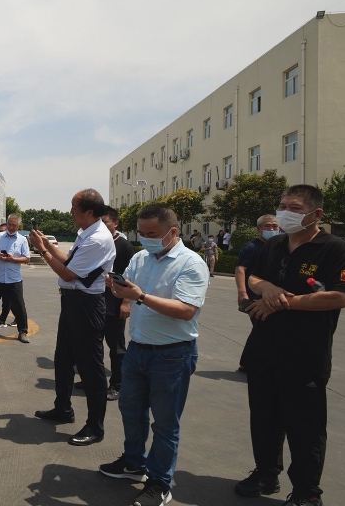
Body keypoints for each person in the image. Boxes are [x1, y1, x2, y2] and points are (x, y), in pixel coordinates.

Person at [237, 185, 345, 506]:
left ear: (316, 214)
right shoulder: (275, 244)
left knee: (305, 427)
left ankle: (307, 492)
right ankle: (266, 473)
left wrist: (282, 302)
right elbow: (254, 278)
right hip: (264, 347)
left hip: (305, 353)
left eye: (295, 208)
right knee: (264, 418)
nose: (285, 213)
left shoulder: (334, 248)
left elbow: (339, 296)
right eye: (282, 206)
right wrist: (269, 288)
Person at [100, 203, 208, 506]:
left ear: (172, 232)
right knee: (131, 410)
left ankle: (160, 481)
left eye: (152, 234)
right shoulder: (140, 258)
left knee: (165, 422)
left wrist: (141, 296)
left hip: (172, 353)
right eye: (141, 233)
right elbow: (127, 290)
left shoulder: (190, 263)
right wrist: (118, 289)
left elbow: (186, 310)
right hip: (138, 348)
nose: (145, 239)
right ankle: (134, 461)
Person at [30, 190, 115, 447]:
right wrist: (49, 246)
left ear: (89, 212)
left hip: (86, 305)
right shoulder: (86, 233)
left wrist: (42, 250)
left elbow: (68, 274)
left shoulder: (98, 239)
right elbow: (70, 261)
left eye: (74, 207)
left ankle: (95, 426)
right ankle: (63, 408)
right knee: (63, 359)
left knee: (90, 367)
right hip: (72, 302)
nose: (70, 212)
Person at [234, 214, 279, 373]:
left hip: (271, 296)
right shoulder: (251, 247)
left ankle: (247, 363)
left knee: (261, 330)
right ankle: (253, 364)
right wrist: (242, 293)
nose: (272, 229)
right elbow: (240, 269)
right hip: (254, 297)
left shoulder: (279, 246)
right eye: (268, 226)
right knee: (263, 329)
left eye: (275, 226)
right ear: (259, 229)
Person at [101, 206, 137, 402]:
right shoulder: (98, 243)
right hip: (96, 302)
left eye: (105, 222)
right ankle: (95, 380)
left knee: (116, 347)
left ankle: (117, 384)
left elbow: (131, 277)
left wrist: (125, 302)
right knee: (94, 345)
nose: (101, 225)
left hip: (114, 304)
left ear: (115, 223)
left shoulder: (124, 246)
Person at [0, 214, 30, 343]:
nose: (11, 227)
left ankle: (23, 331)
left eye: (14, 225)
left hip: (14, 279)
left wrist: (13, 259)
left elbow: (26, 258)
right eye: (9, 224)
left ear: (19, 225)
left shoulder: (22, 240)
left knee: (19, 306)